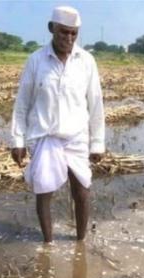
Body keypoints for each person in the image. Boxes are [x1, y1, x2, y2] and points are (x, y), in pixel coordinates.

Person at [10, 5, 105, 243]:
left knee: (82, 191)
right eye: (64, 32)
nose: (69, 38)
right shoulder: (36, 61)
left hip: (77, 136)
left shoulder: (86, 61)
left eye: (74, 33)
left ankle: (80, 243)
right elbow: (22, 103)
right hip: (46, 136)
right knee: (44, 191)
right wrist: (17, 140)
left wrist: (97, 143)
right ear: (52, 29)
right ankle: (48, 244)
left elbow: (95, 104)